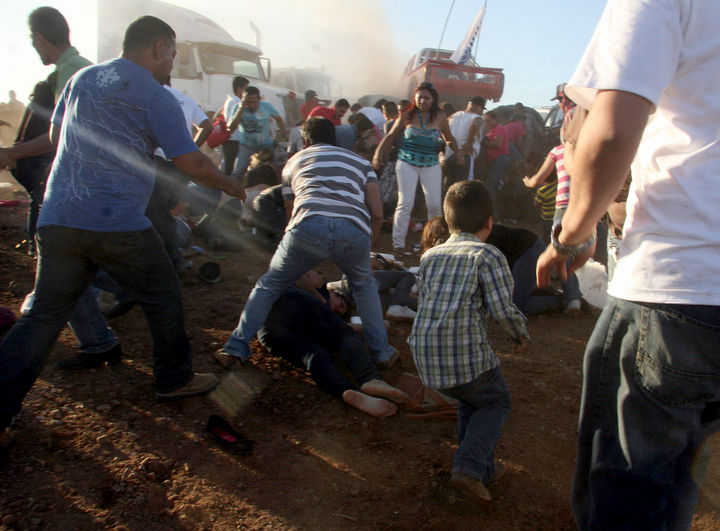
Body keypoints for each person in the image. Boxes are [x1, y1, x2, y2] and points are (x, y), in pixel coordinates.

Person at [0, 15, 248, 451]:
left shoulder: (81, 79)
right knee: (163, 292)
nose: (172, 63)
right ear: (158, 47)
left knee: (43, 317)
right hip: (115, 221)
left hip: (58, 217)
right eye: (172, 53)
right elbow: (191, 163)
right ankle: (174, 378)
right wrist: (229, 184)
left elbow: (56, 136)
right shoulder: (155, 95)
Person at [535, 1, 720, 528]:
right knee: (681, 473)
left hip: (680, 282)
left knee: (631, 495)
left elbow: (613, 129)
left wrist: (570, 238)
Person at [217, 117, 397, 368]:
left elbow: (291, 210)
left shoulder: (294, 161)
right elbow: (377, 213)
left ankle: (236, 347)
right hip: (353, 230)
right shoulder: (361, 162)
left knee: (269, 285)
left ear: (305, 140)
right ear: (335, 138)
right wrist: (367, 242)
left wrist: (291, 245)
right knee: (364, 287)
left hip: (308, 225)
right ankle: (382, 352)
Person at [408, 180, 529, 502]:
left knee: (470, 400)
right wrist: (520, 332)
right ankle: (469, 468)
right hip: (463, 355)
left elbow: (422, 299)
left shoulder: (430, 257)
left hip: (425, 356)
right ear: (489, 222)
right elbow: (502, 309)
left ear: (448, 221)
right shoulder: (488, 255)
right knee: (495, 401)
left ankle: (483, 470)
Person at [258, 286, 408, 418]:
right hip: (287, 300)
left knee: (315, 355)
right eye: (340, 304)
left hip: (267, 332)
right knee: (344, 333)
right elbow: (344, 329)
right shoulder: (318, 289)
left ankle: (347, 391)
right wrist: (376, 326)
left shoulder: (315, 321)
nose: (336, 310)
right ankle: (370, 378)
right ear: (332, 293)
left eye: (339, 312)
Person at [373, 82, 462, 251]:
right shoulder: (407, 114)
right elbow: (391, 135)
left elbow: (448, 138)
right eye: (420, 97)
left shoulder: (440, 116)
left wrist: (458, 153)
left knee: (434, 205)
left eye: (426, 98)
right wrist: (378, 153)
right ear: (414, 97)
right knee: (405, 203)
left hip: (431, 164)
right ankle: (398, 245)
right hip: (407, 162)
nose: (422, 101)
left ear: (433, 99)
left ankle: (434, 244)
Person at [523, 144, 583, 314]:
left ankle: (572, 298)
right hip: (585, 206)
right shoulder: (589, 145)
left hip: (564, 207)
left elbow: (537, 180)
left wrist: (528, 182)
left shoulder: (558, 151)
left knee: (561, 254)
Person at [226, 86, 286, 181]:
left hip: (265, 145)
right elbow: (230, 128)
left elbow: (279, 119)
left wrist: (283, 134)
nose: (251, 106)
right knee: (239, 172)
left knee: (274, 170)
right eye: (248, 103)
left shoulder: (266, 106)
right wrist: (241, 107)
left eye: (254, 102)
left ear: (259, 99)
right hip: (247, 146)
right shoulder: (237, 108)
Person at [443, 96, 485, 193]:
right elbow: (474, 125)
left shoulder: (453, 116)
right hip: (465, 156)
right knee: (465, 188)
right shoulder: (477, 118)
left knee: (449, 189)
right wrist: (468, 146)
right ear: (479, 107)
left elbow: (443, 129)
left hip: (449, 156)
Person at [481, 110, 511, 221]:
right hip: (497, 160)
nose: (487, 123)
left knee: (490, 187)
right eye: (485, 121)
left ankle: (494, 215)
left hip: (499, 159)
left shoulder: (499, 128)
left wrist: (483, 143)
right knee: (492, 187)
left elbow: (498, 144)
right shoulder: (493, 130)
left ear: (495, 120)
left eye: (489, 120)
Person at [220, 75, 249, 175]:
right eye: (246, 89)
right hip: (233, 139)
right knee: (230, 167)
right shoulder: (235, 102)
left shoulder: (232, 101)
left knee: (228, 165)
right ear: (239, 89)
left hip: (233, 139)